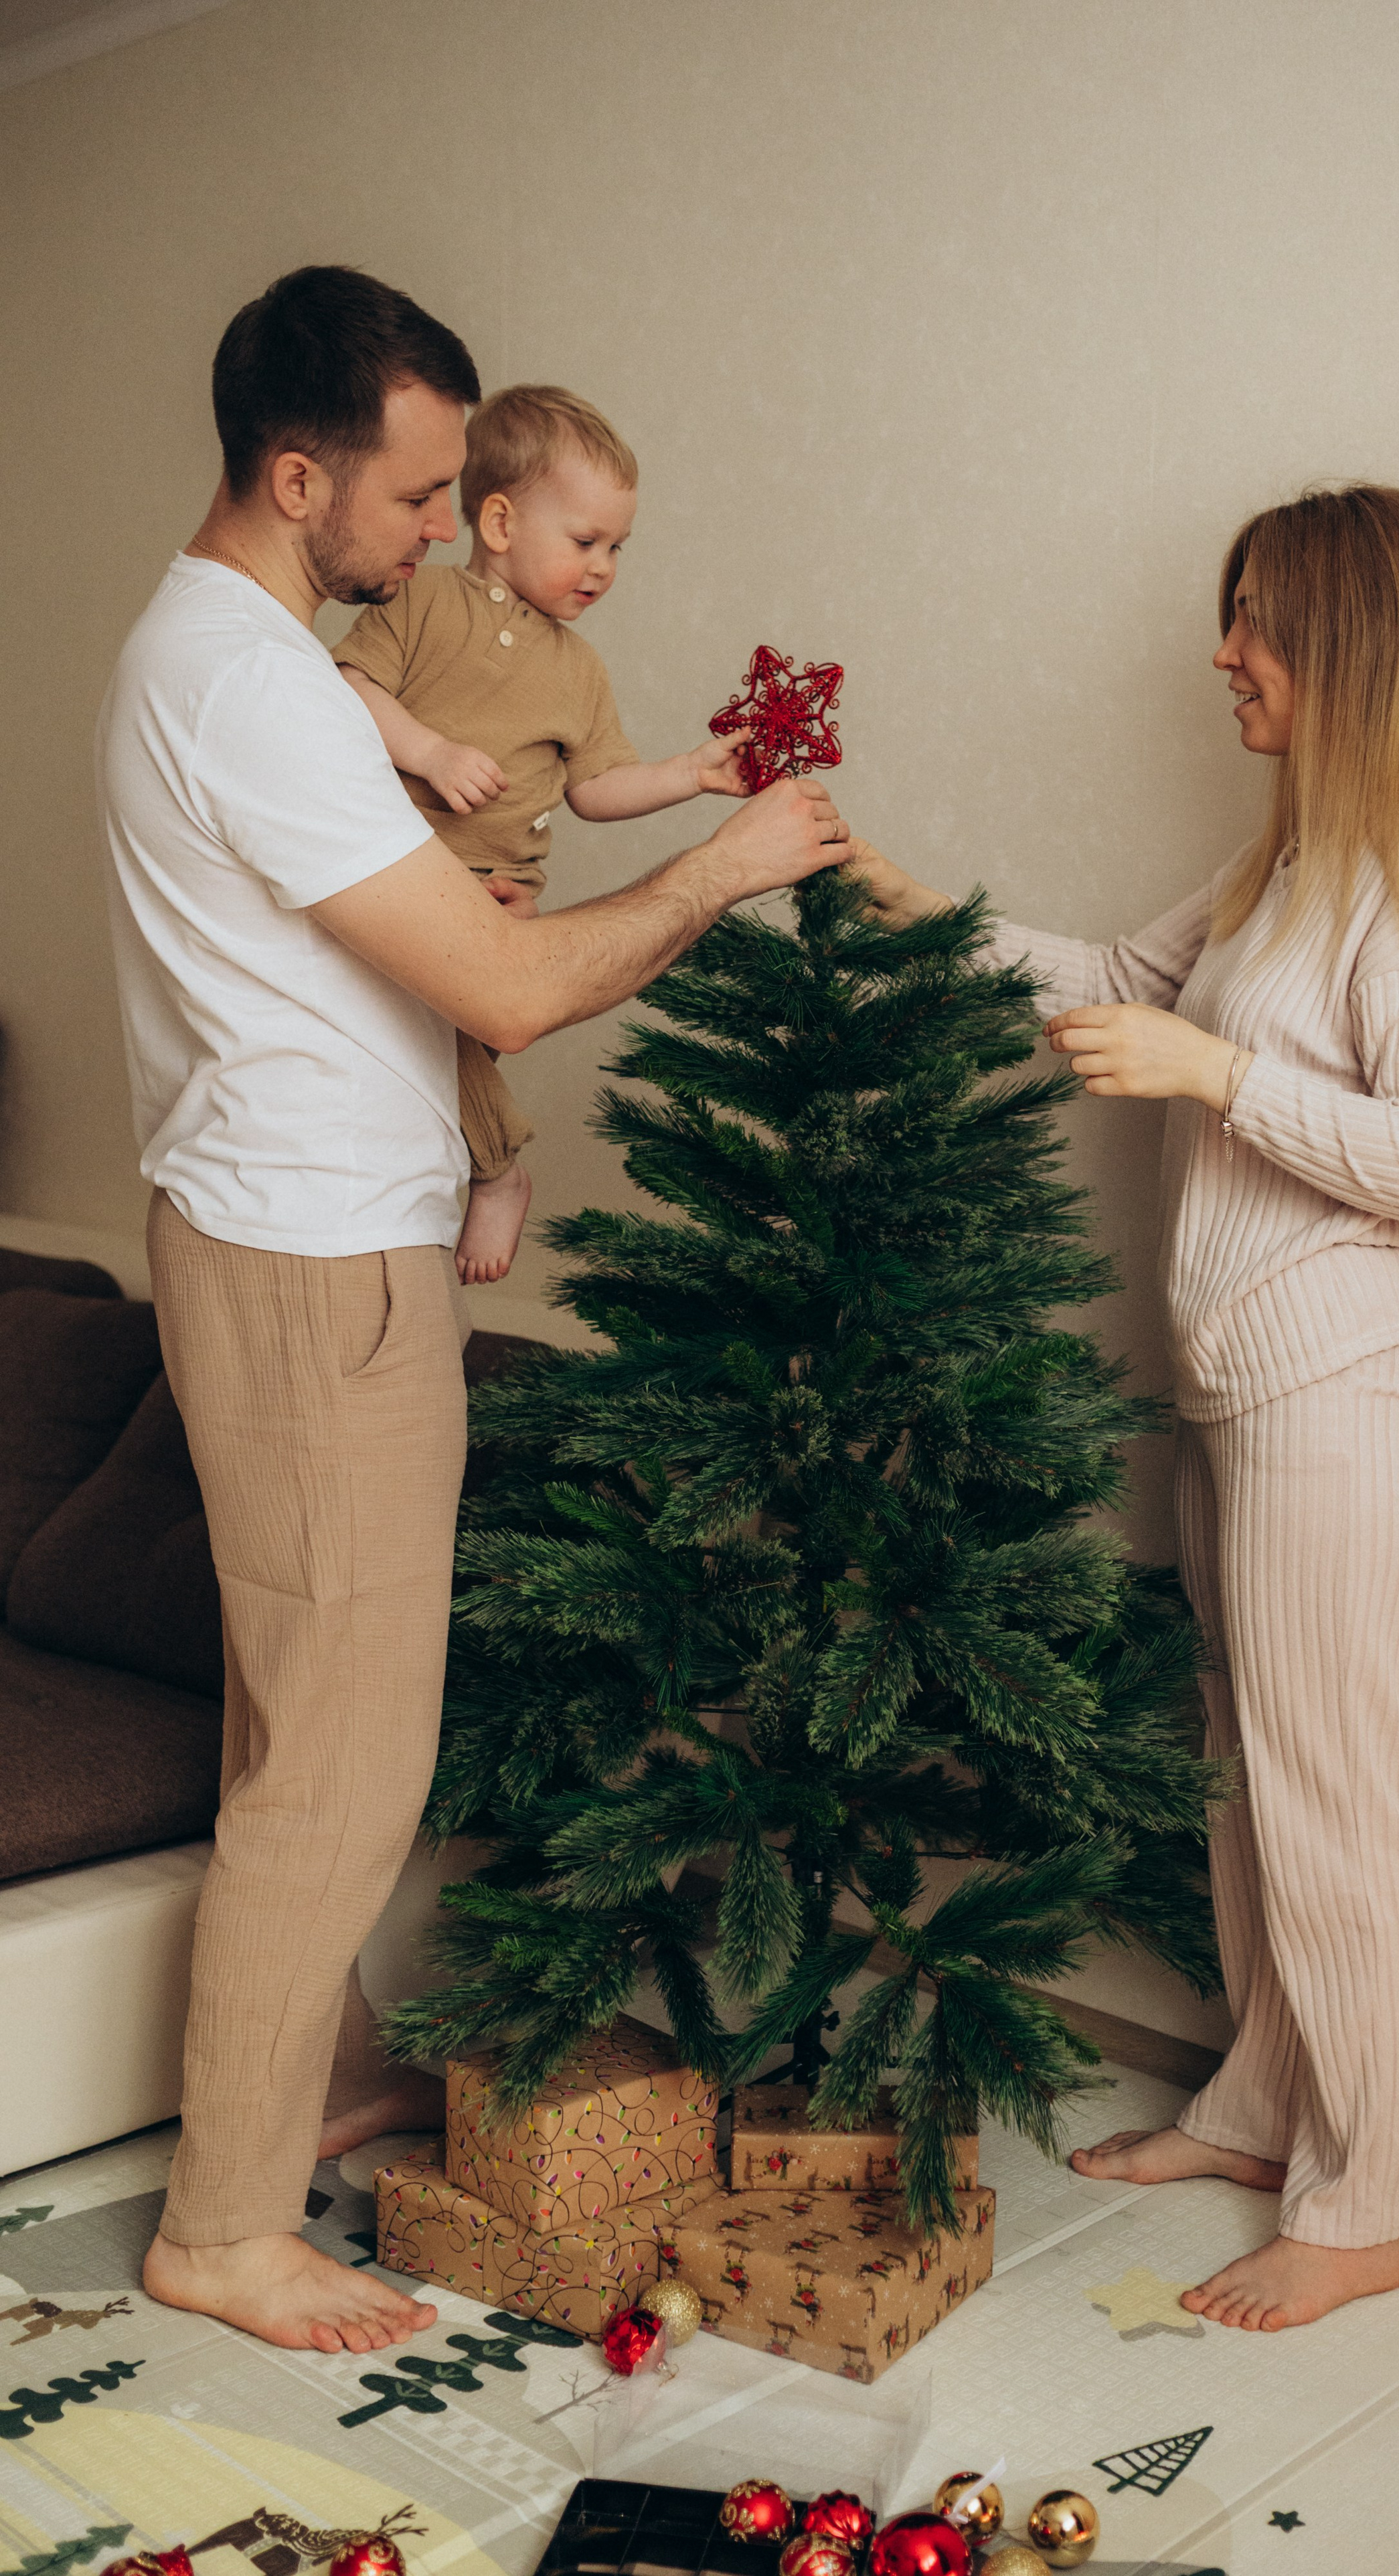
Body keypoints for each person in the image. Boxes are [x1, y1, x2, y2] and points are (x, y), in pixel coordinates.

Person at [98, 265, 849, 2356]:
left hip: (283, 1228)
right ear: (299, 472)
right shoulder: (251, 683)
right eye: (423, 498)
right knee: (347, 1759)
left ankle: (283, 2098)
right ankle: (226, 2228)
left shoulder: (235, 661)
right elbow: (507, 989)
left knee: (292, 1729)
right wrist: (723, 867)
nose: (444, 534)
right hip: (312, 1258)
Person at [853, 484, 1399, 2333]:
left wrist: (1216, 1075)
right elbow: (1107, 986)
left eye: (1256, 622)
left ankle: (1370, 2194)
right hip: (1245, 1392)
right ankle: (1255, 2108)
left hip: (1351, 1392)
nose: (1223, 654)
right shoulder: (1286, 864)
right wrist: (893, 900)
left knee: (1338, 1806)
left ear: (1354, 644)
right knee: (1249, 1780)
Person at [335, 382, 758, 1288]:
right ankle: (494, 1167)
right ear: (497, 520)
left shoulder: (580, 668)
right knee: (410, 1040)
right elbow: (350, 686)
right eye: (584, 542)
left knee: (438, 1037)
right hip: (408, 879)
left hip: (496, 898)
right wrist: (432, 751)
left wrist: (693, 773)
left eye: (617, 548)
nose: (603, 567)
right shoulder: (423, 605)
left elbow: (595, 788)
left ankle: (490, 1173)